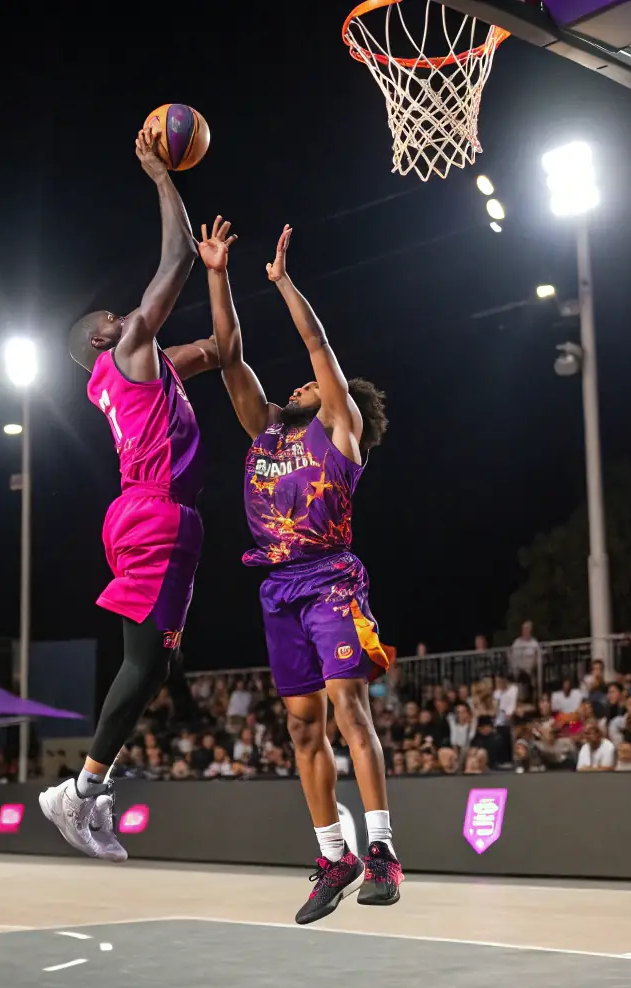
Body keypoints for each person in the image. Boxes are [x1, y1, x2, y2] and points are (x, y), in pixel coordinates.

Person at [202, 217, 397, 924]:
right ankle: (332, 854)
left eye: (311, 388)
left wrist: (283, 284)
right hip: (278, 590)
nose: (299, 387)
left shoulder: (337, 432)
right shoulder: (264, 431)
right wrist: (217, 274)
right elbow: (229, 361)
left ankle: (379, 848)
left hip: (331, 578)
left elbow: (316, 347)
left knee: (349, 708)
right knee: (301, 728)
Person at [39, 124, 219, 860]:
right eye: (116, 316)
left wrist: (218, 271)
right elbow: (168, 258)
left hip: (148, 513)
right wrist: (159, 174)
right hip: (155, 513)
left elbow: (215, 349)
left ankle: (88, 788)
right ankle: (75, 795)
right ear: (101, 340)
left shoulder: (141, 369)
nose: (125, 311)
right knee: (146, 665)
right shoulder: (128, 350)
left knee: (157, 662)